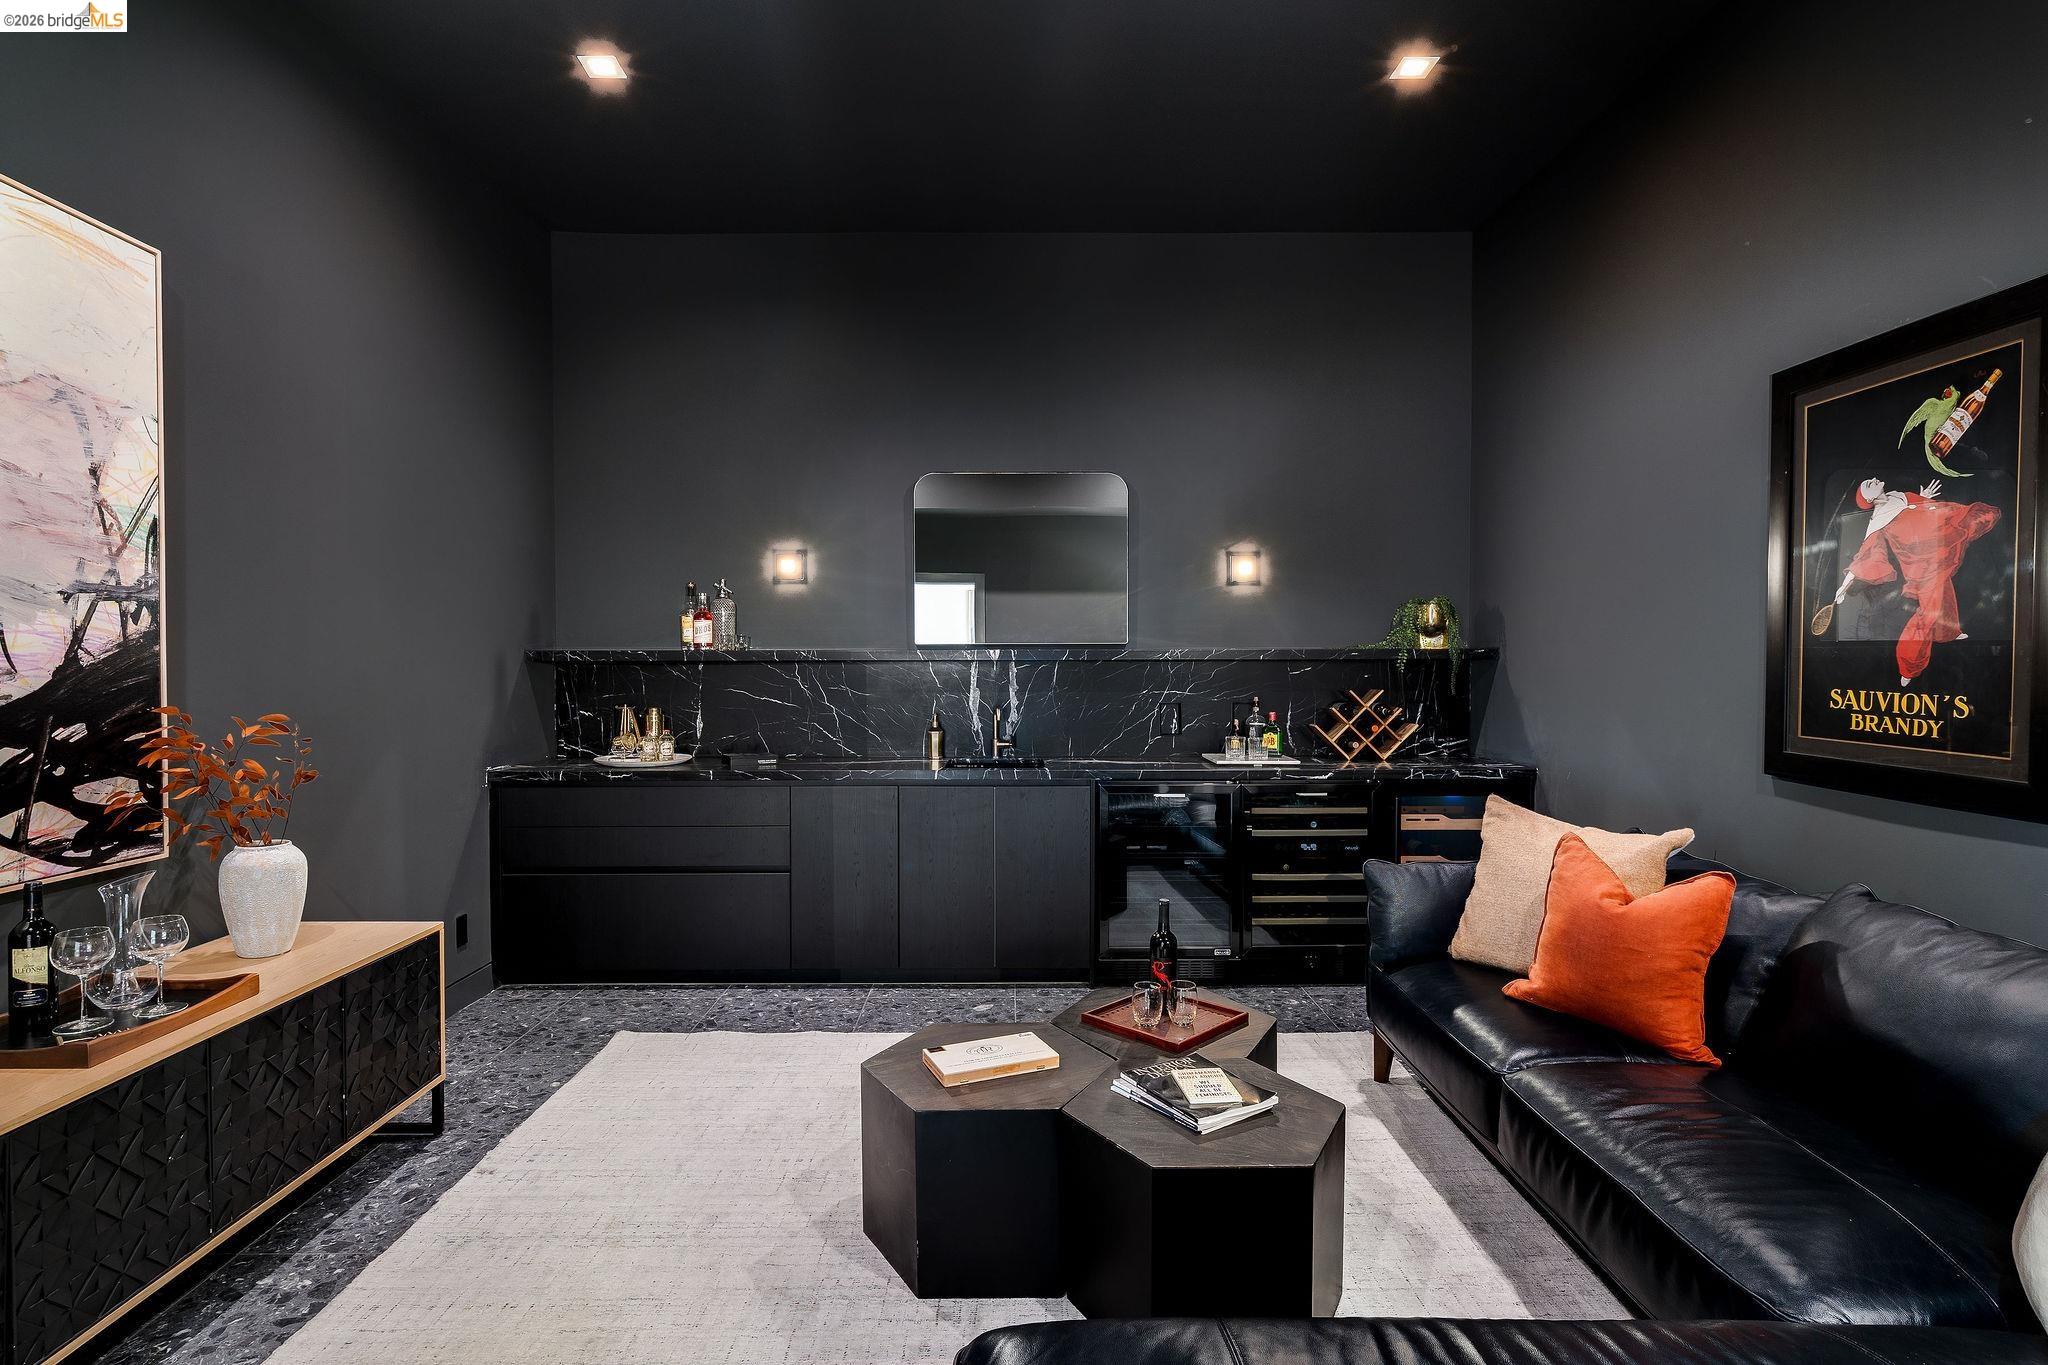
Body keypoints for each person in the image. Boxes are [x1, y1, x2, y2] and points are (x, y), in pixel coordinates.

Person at [1831, 477, 2001, 686]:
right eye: (1868, 484)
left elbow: (1915, 514)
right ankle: (1909, 666)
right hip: (1922, 569)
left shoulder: (1898, 496)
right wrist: (1845, 585)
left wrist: (1922, 499)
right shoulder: (1878, 521)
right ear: (1869, 499)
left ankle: (1948, 633)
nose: (1874, 480)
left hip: (1937, 551)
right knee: (1928, 614)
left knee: (1945, 594)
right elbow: (1866, 555)